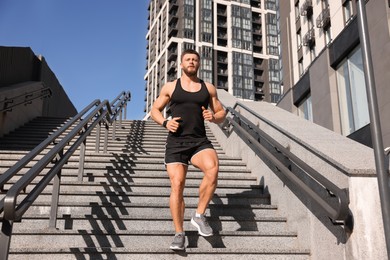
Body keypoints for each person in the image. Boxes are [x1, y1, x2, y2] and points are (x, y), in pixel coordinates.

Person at [150, 49, 226, 250]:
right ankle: (179, 233)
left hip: (199, 141)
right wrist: (165, 122)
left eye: (195, 59)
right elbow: (154, 110)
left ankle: (199, 215)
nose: (191, 62)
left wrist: (214, 117)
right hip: (176, 143)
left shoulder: (207, 88)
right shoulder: (170, 87)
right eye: (188, 60)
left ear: (199, 64)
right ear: (181, 65)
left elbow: (221, 112)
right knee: (178, 183)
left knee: (213, 169)